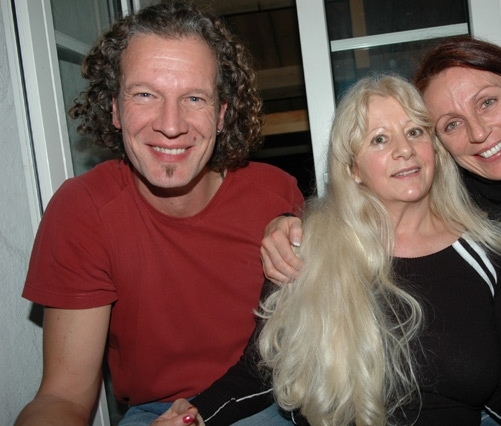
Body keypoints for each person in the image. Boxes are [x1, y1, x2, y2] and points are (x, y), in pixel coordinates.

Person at [164, 74, 501, 425]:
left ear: (435, 150)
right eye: (379, 139)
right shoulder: (307, 250)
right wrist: (195, 416)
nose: (405, 150)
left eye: (415, 132)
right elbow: (260, 371)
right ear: (353, 169)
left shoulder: (492, 253)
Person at [264, 35, 501, 377]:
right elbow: (361, 206)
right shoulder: (443, 201)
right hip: (485, 402)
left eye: (487, 103)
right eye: (452, 124)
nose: (478, 133)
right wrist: (288, 225)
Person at [15, 2, 304, 426]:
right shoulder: (83, 210)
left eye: (194, 98)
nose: (171, 125)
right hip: (154, 412)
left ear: (221, 115)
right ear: (115, 108)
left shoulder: (276, 195)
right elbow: (63, 396)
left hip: (269, 400)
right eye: (146, 95)